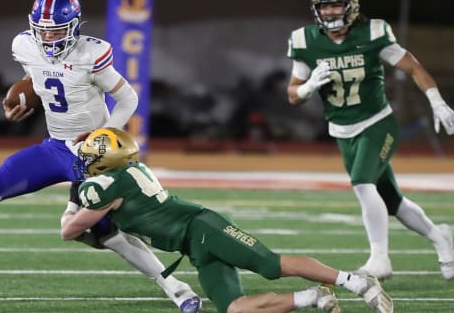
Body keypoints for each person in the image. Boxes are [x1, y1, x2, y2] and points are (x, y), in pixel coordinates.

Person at [0, 0, 202, 313]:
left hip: (90, 157)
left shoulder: (91, 55)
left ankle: (176, 288)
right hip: (56, 146)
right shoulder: (25, 45)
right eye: (42, 30)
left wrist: (102, 136)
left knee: (106, 230)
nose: (48, 37)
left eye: (56, 30)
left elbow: (129, 98)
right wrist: (24, 99)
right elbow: (39, 79)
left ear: (73, 27)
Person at [61, 127, 394, 313]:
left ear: (106, 163)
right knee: (235, 310)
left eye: (91, 156)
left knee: (269, 265)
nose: (85, 161)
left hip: (202, 227)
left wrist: (73, 199)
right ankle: (312, 297)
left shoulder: (107, 186)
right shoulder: (126, 171)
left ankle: (357, 282)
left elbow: (70, 231)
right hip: (193, 247)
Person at [286, 0, 454, 280]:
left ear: (351, 8)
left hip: (378, 123)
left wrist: (436, 100)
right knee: (393, 202)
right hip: (341, 130)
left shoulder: (373, 33)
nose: (331, 13)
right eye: (325, 7)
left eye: (337, 5)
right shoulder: (305, 41)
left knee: (364, 184)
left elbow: (413, 66)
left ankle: (380, 259)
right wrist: (309, 86)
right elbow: (293, 94)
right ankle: (440, 236)